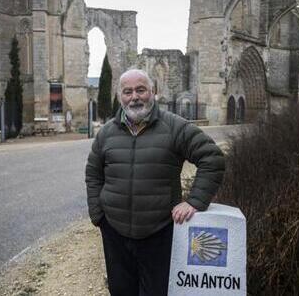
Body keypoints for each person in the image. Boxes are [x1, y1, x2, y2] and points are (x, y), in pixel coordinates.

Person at [85, 69, 225, 296]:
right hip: (115, 233)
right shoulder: (107, 133)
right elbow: (93, 173)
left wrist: (195, 202)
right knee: (121, 291)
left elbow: (212, 158)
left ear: (153, 92)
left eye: (141, 90)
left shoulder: (175, 127)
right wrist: (98, 215)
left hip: (159, 233)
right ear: (120, 96)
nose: (134, 97)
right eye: (127, 92)